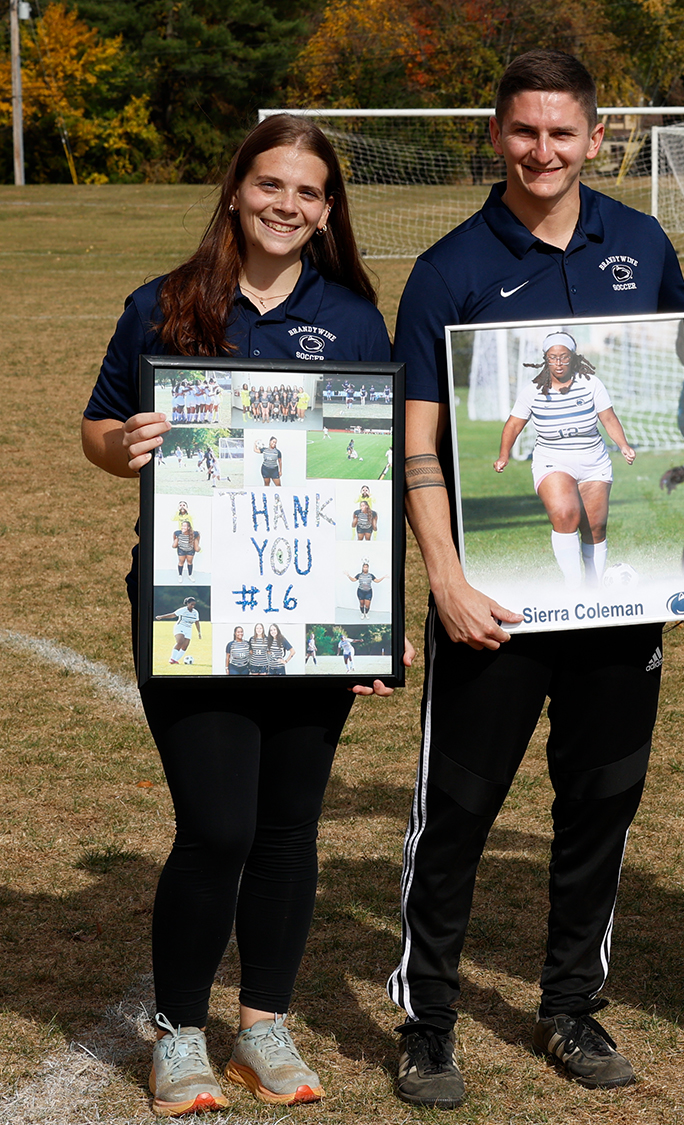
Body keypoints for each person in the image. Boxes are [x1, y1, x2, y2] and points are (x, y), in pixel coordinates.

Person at [384, 47, 684, 1110]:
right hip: (495, 606)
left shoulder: (643, 243)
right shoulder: (448, 270)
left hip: (621, 606)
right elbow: (417, 443)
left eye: (562, 133)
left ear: (596, 139)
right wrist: (445, 579)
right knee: (459, 813)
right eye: (524, 131)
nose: (542, 151)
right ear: (495, 135)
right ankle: (427, 1022)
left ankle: (570, 1005)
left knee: (598, 805)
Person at [79, 113, 407, 1118]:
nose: (288, 205)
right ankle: (179, 1034)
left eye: (309, 193)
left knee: (287, 832)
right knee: (217, 826)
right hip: (197, 609)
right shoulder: (163, 305)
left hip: (316, 607)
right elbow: (97, 426)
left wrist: (372, 625)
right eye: (272, 185)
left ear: (327, 209)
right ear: (237, 190)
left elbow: (378, 470)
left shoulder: (351, 315)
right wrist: (119, 445)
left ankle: (262, 1025)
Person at [493, 330, 636, 588]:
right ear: (545, 360)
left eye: (563, 357)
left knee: (595, 527)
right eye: (552, 358)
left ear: (573, 358)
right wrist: (504, 455)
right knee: (565, 513)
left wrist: (623, 445)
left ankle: (593, 589)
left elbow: (608, 418)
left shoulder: (592, 383)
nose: (558, 363)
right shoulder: (533, 390)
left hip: (594, 461)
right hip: (553, 460)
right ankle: (573, 586)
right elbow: (513, 425)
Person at [158, 597, 202, 666]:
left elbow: (197, 622)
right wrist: (161, 617)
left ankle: (175, 660)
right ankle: (172, 659)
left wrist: (199, 632)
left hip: (188, 629)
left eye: (194, 605)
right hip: (180, 627)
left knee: (185, 646)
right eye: (191, 604)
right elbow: (173, 615)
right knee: (180, 642)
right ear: (187, 604)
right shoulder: (183, 610)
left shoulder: (195, 612)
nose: (193, 606)